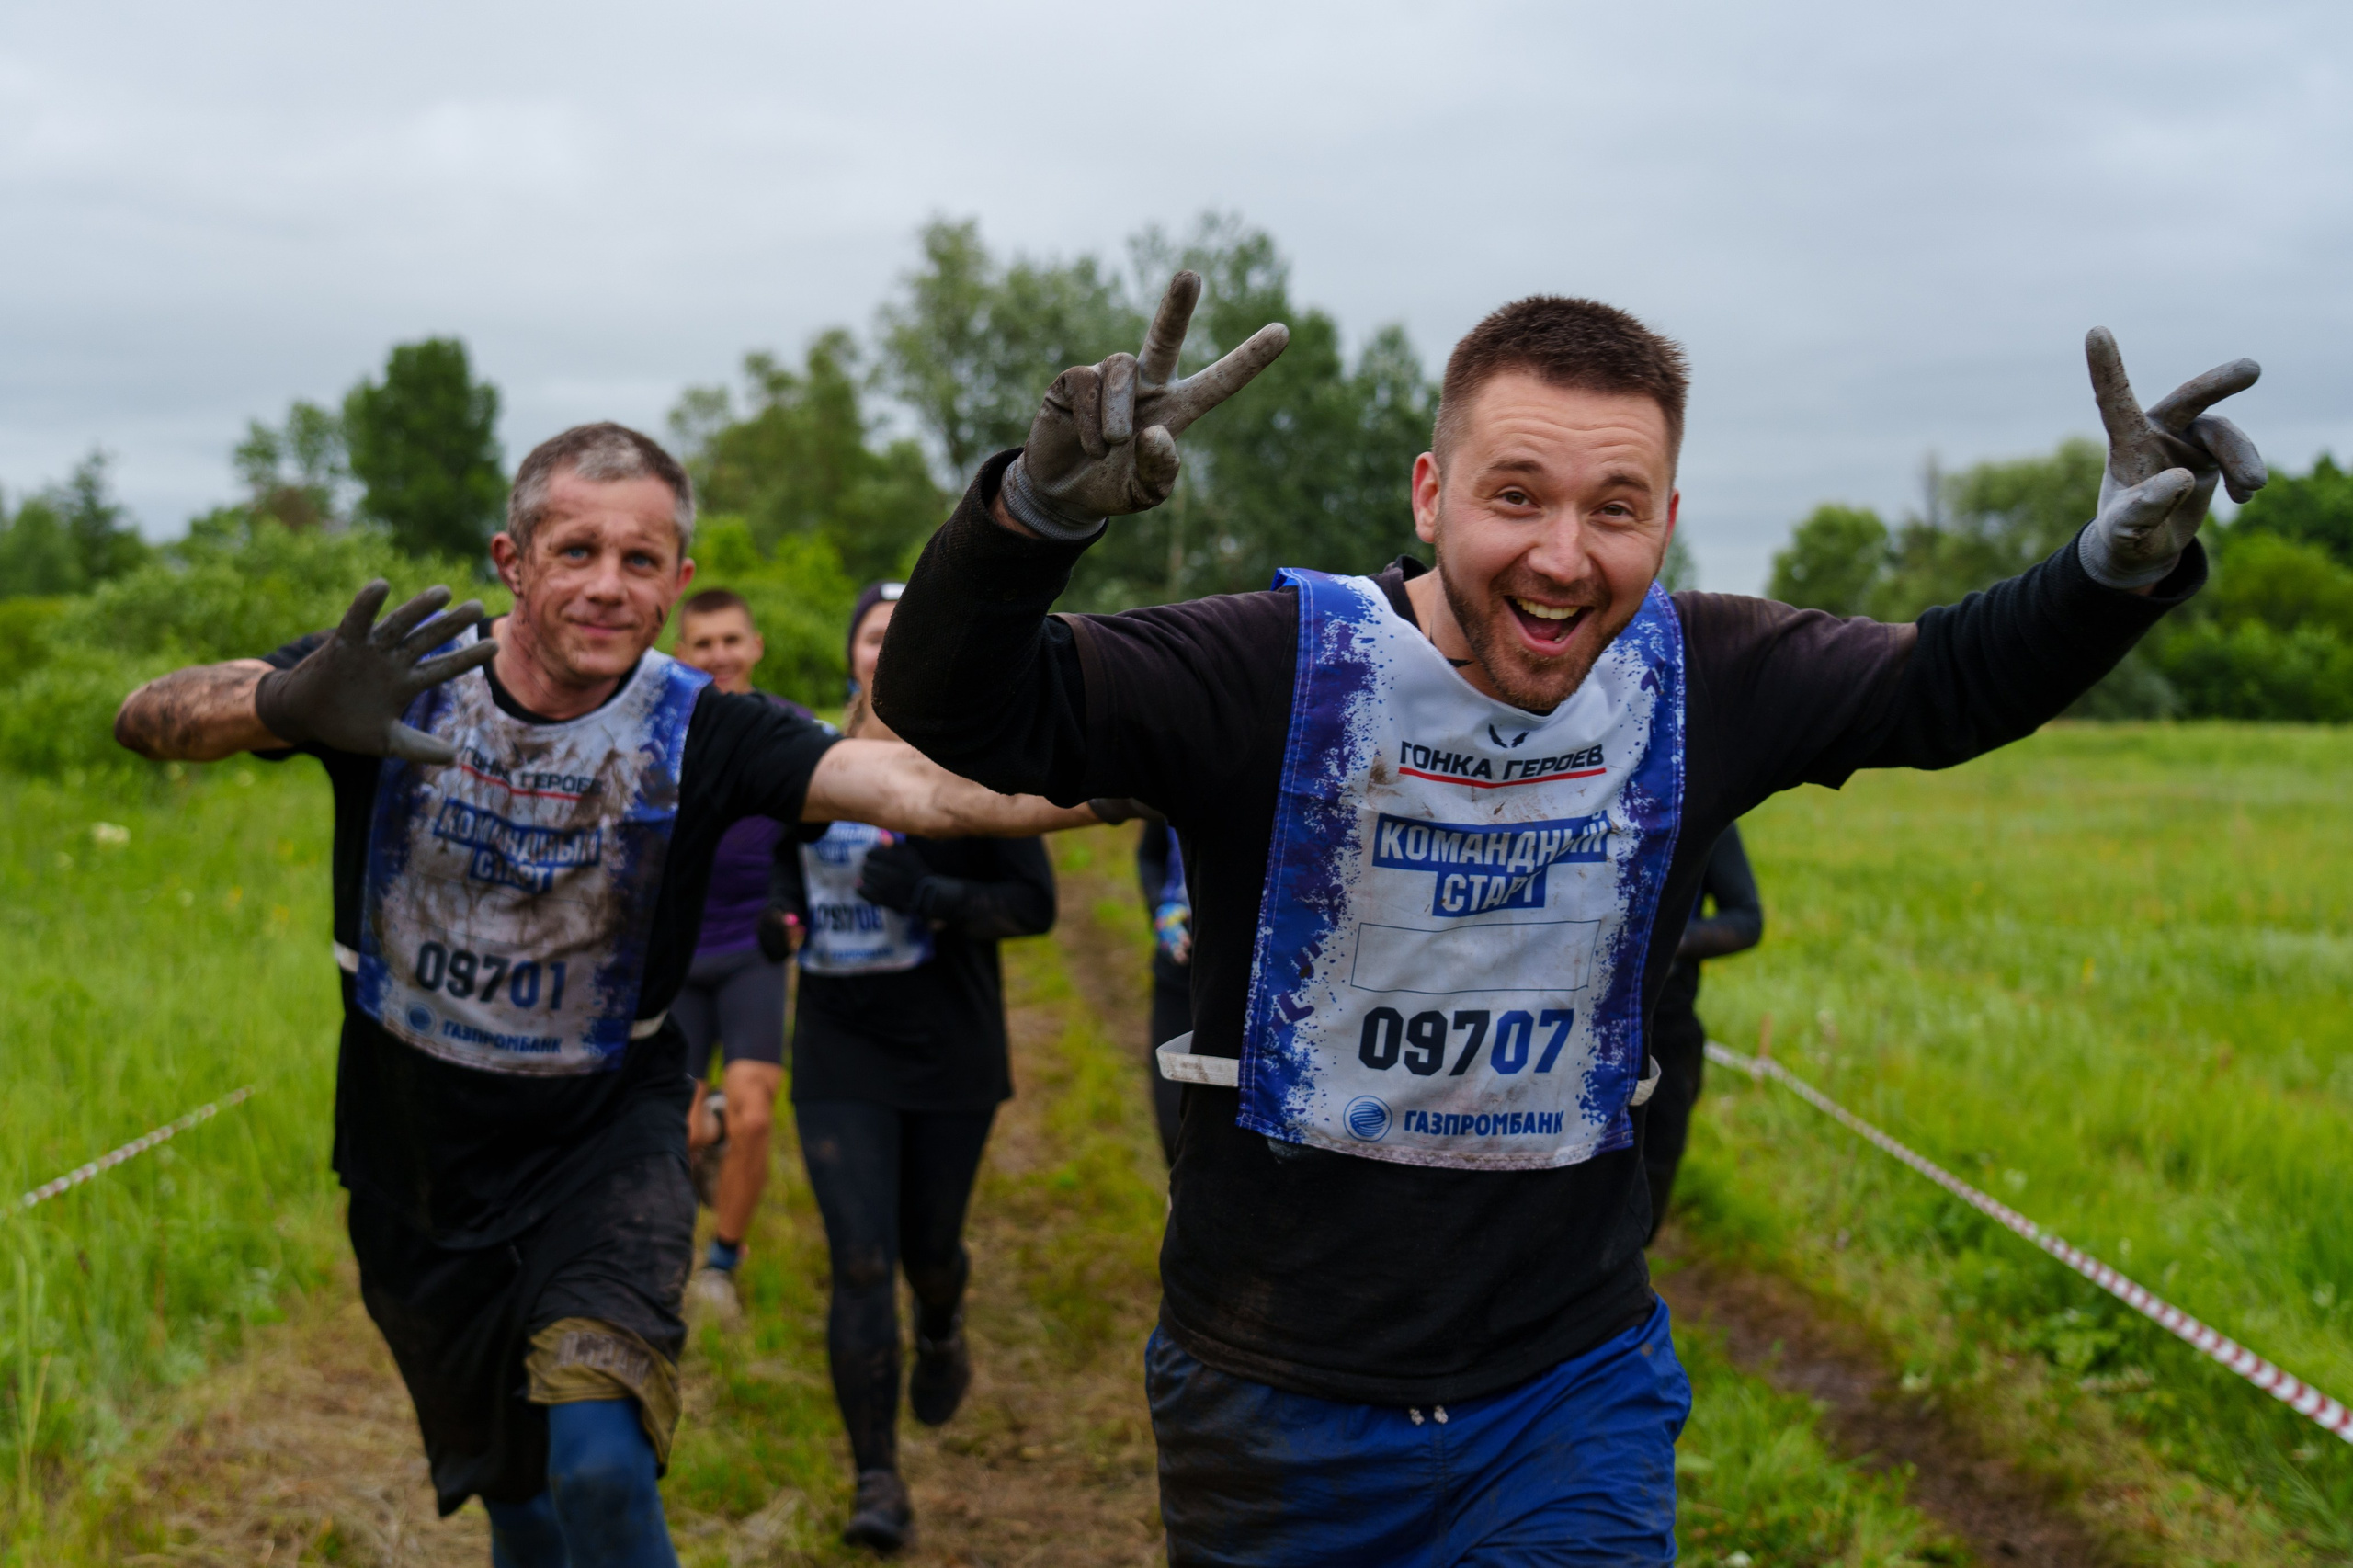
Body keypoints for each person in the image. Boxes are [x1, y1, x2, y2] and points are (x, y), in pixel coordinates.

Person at [871, 274, 2266, 1565]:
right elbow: (962, 707)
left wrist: (2107, 569)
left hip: (1568, 1389)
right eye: (1516, 496)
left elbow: (1942, 685)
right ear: (1431, 493)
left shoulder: (1697, 675)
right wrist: (1031, 519)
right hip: (1278, 1397)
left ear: (1666, 518)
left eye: (1614, 508)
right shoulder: (1282, 669)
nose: (1561, 555)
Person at [111, 424, 1101, 1568]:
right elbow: (147, 716)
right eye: (575, 550)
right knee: (519, 1502)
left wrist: (1146, 762)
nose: (606, 585)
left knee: (598, 1464)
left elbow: (919, 789)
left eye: (641, 560)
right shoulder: (403, 678)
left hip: (603, 1146)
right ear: (511, 558)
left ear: (678, 581)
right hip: (412, 1161)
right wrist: (287, 702)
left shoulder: (702, 726)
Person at [789, 580, 1057, 1552]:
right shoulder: (808, 759)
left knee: (927, 1253)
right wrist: (778, 917)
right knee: (860, 1257)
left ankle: (941, 1322)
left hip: (951, 1047)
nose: (887, 651)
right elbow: (773, 867)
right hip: (839, 1044)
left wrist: (930, 892)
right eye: (874, 636)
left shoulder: (979, 766)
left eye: (907, 636)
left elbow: (1033, 907)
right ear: (851, 653)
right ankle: (877, 1479)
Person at [665, 587, 812, 1324]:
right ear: (681, 655)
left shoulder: (790, 731)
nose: (719, 654)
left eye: (730, 640)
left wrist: (793, 913)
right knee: (682, 1129)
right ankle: (708, 1122)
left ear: (755, 645)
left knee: (757, 1116)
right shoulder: (660, 731)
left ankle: (721, 1264)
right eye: (703, 643)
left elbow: (821, 841)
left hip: (753, 950)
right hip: (678, 954)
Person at [1641, 823, 1762, 1244]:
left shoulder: (1698, 803)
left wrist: (1666, 942)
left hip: (1666, 1024)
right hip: (1572, 1018)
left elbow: (1747, 918)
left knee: (1653, 1166)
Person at [1135, 812, 1191, 1165]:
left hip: (1260, 985)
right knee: (1175, 1130)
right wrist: (1162, 908)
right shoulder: (1181, 780)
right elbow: (1149, 856)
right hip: (1180, 971)